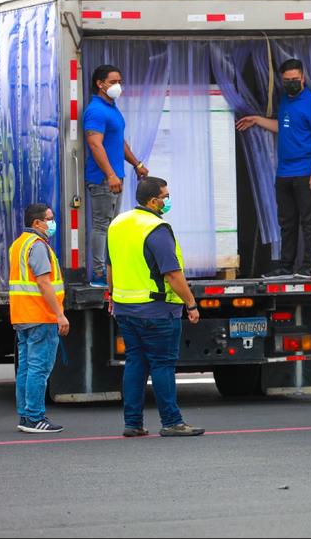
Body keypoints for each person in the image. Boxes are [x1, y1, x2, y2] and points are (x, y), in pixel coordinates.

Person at [107, 177, 204, 438]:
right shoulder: (156, 228)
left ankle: (133, 423)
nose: (168, 200)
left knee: (135, 363)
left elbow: (110, 266)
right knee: (162, 364)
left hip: (125, 308)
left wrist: (112, 297)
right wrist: (191, 303)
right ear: (153, 201)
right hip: (157, 310)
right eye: (166, 196)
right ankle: (171, 421)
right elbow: (172, 274)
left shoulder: (118, 224)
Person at [236, 59, 311, 279]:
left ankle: (309, 266)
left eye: (294, 79)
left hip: (305, 172)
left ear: (303, 78)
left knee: (308, 222)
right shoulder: (284, 100)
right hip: (284, 172)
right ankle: (286, 265)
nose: (291, 83)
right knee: (287, 222)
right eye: (287, 80)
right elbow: (281, 127)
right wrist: (257, 120)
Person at [85, 65, 149, 288]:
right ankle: (99, 274)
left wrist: (136, 163)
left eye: (119, 81)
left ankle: (110, 271)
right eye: (113, 82)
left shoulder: (112, 108)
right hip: (104, 179)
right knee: (102, 225)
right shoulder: (96, 110)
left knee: (112, 226)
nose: (118, 86)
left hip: (115, 177)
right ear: (100, 84)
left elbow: (118, 142)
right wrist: (110, 174)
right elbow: (95, 144)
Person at [9, 203, 70, 433]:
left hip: (23, 316)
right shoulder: (37, 246)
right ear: (37, 223)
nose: (52, 223)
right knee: (39, 368)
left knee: (26, 368)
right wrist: (60, 314)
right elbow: (44, 283)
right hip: (41, 316)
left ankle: (26, 416)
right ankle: (35, 417)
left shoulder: (18, 244)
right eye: (50, 219)